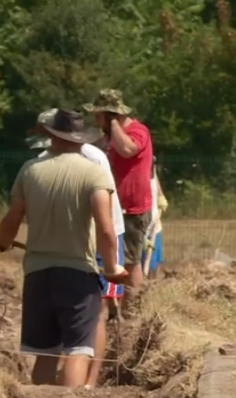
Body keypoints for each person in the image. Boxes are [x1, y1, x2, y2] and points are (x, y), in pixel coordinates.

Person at [0, 109, 128, 388]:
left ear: (52, 137)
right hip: (78, 274)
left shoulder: (30, 171)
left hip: (38, 274)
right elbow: (106, 229)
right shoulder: (94, 173)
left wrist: (2, 241)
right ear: (81, 139)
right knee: (78, 352)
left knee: (45, 355)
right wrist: (112, 267)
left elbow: (12, 218)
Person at [83, 89, 154, 312]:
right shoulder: (107, 137)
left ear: (111, 115)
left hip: (132, 211)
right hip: (112, 209)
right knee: (109, 260)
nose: (96, 121)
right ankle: (112, 310)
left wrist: (113, 125)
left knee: (130, 264)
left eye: (99, 116)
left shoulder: (137, 132)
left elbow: (127, 150)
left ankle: (132, 314)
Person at [143, 160, 168, 277]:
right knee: (141, 267)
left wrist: (161, 195)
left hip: (155, 224)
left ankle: (153, 288)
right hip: (141, 227)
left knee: (156, 264)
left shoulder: (150, 164)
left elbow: (155, 178)